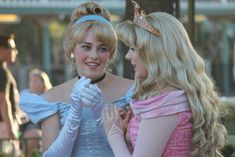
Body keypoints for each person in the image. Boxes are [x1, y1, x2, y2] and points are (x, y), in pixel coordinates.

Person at [102, 1, 227, 157]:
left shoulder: (164, 106)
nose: (128, 56)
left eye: (133, 48)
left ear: (155, 53)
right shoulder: (174, 98)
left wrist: (114, 134)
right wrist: (129, 133)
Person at [20, 2, 134, 157]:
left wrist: (99, 112)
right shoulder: (52, 98)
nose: (94, 55)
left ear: (110, 53)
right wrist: (74, 115)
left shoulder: (132, 92)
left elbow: (136, 150)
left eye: (102, 48)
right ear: (72, 49)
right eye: (86, 47)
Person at [20, 68, 52, 157]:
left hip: (39, 125)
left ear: (43, 83)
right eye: (31, 81)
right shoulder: (23, 94)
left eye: (36, 81)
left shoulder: (48, 97)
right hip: (21, 124)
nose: (32, 83)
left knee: (33, 134)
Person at [0, 34, 21, 156]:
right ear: (1, 49)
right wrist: (10, 131)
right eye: (12, 49)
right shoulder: (2, 72)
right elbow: (2, 100)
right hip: (3, 128)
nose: (15, 52)